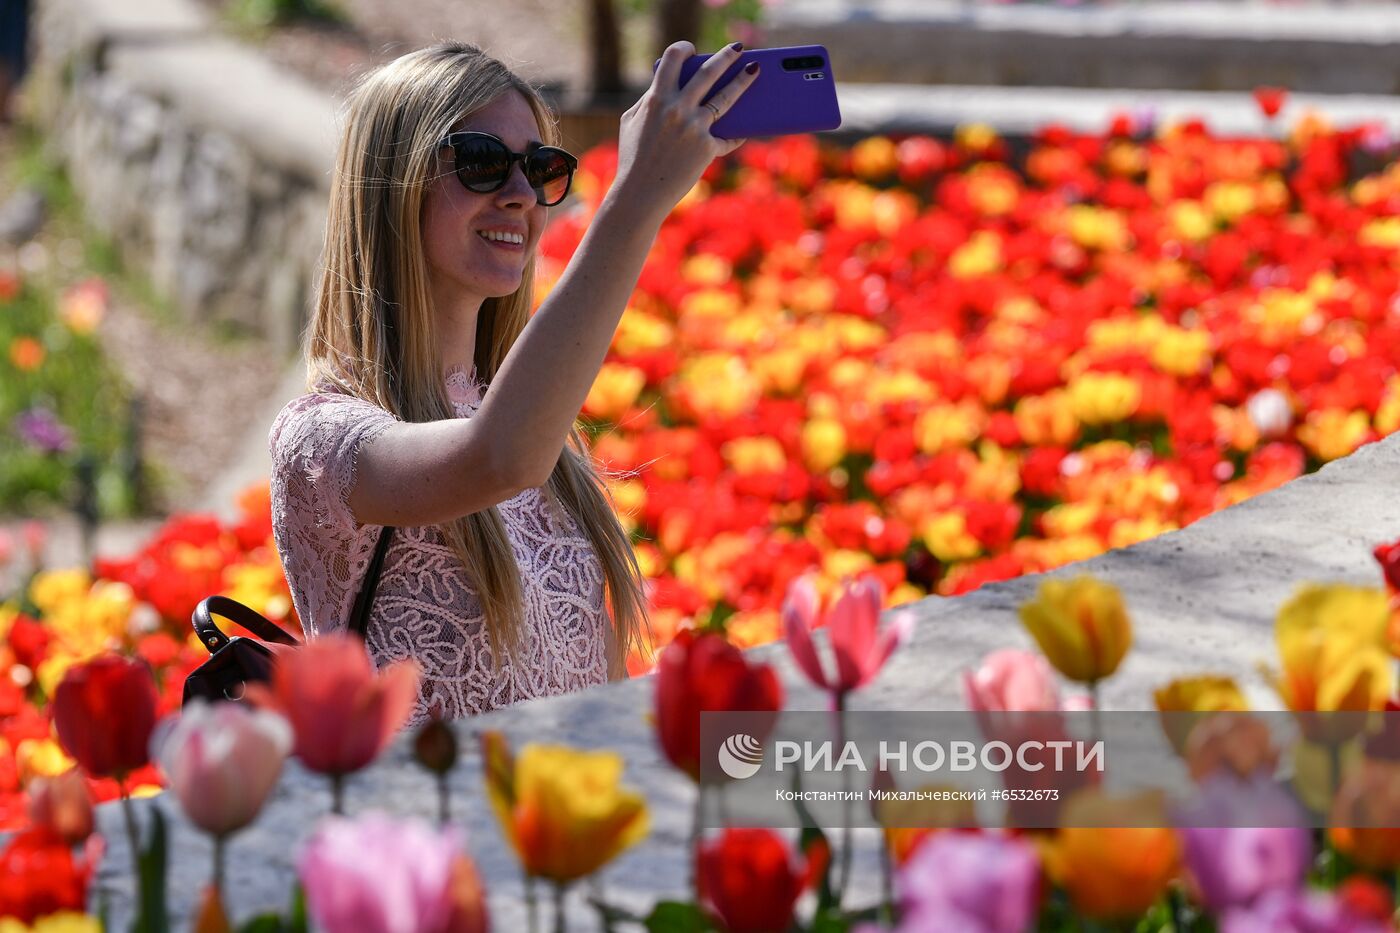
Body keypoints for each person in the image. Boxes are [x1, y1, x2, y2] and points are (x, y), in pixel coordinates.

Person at [268, 39, 759, 724]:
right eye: (482, 163)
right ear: (394, 182)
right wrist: (638, 195)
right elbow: (496, 458)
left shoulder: (526, 420)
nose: (523, 196)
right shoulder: (319, 440)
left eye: (541, 168)